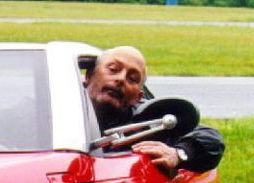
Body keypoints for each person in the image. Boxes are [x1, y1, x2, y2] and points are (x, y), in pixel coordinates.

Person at [84, 45, 224, 173]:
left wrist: (179, 154)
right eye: (113, 69)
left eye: (132, 79)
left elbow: (211, 139)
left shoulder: (146, 121)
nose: (120, 79)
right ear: (88, 76)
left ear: (137, 97)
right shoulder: (62, 105)